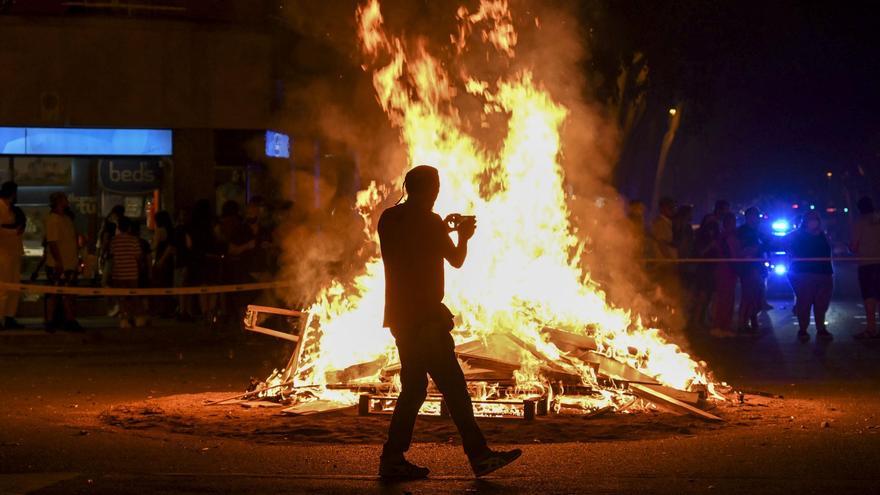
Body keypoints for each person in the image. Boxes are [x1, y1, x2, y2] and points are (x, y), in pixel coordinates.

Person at [377, 165, 521, 479]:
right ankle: (479, 455)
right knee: (454, 389)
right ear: (432, 189)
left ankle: (392, 458)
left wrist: (444, 227)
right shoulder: (429, 222)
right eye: (436, 187)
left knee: (413, 389)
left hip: (401, 317)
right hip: (427, 320)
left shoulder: (389, 218)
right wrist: (464, 236)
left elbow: (414, 244)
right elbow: (455, 259)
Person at [788, 210, 834, 342]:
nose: (814, 222)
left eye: (816, 219)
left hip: (824, 273)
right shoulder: (797, 235)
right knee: (804, 302)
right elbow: (786, 245)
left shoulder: (823, 236)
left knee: (822, 303)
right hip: (804, 273)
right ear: (805, 222)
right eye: (811, 219)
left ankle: (821, 328)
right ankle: (803, 329)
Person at [44, 192, 81, 332]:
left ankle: (69, 319)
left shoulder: (66, 219)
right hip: (59, 264)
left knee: (69, 293)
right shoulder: (53, 220)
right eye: (65, 199)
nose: (67, 201)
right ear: (59, 201)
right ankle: (51, 321)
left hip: (70, 263)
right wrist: (58, 261)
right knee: (54, 293)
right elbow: (52, 242)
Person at [850, 197, 880, 339]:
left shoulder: (860, 224)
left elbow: (854, 246)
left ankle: (871, 328)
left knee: (869, 297)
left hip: (866, 264)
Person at [735, 207, 766, 333]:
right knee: (748, 295)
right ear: (748, 217)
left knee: (757, 295)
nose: (756, 219)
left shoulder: (758, 231)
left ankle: (752, 319)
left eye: (757, 216)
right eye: (754, 216)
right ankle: (742, 323)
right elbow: (743, 250)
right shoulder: (742, 231)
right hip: (748, 267)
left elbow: (767, 243)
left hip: (758, 266)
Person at [110, 216, 144, 328]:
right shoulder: (134, 240)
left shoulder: (114, 241)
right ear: (129, 228)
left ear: (118, 227)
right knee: (135, 297)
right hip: (132, 273)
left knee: (122, 298)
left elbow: (112, 257)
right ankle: (138, 318)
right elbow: (138, 257)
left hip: (118, 273)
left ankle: (124, 320)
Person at [0, 182, 24, 330]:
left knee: (15, 286)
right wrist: (14, 231)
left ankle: (9, 317)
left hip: (14, 252)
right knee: (3, 287)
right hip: (3, 253)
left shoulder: (12, 209)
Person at [710, 212, 739, 337]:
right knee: (724, 299)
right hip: (725, 269)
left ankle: (725, 326)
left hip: (728, 270)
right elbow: (732, 253)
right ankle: (719, 326)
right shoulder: (725, 237)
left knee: (728, 298)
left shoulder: (725, 236)